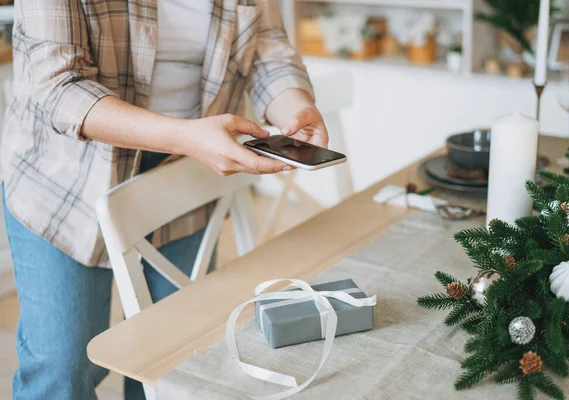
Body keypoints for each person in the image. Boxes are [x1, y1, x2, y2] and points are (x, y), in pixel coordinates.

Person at [1, 0, 328, 399]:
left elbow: (268, 47)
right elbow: (56, 86)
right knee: (63, 370)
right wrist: (187, 137)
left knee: (172, 361)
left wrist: (296, 107)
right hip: (63, 183)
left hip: (181, 179)